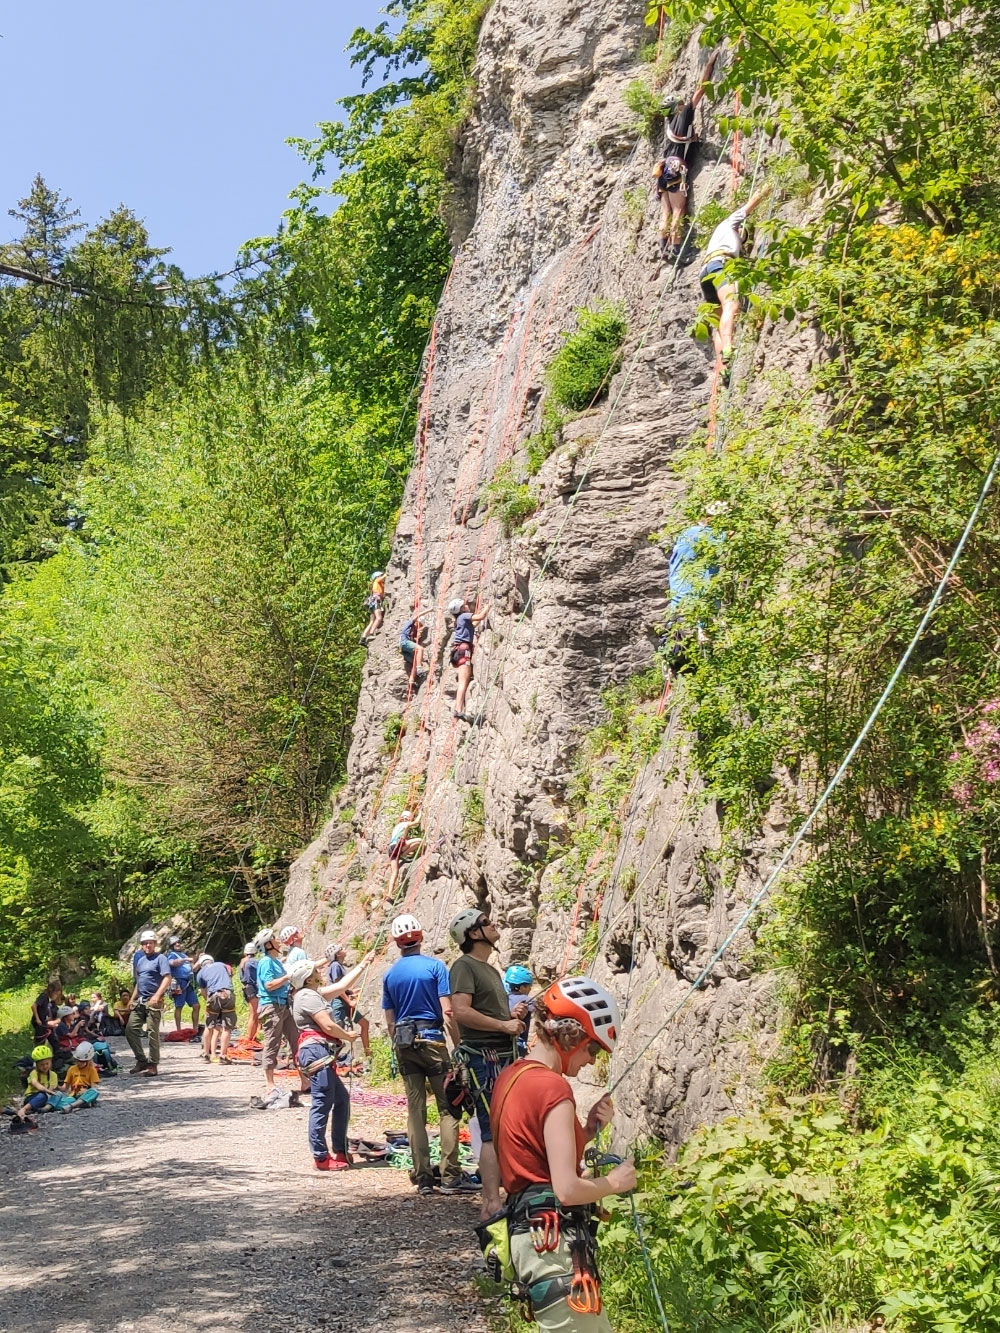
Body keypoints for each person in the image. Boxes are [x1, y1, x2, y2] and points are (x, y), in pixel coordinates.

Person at [490, 976, 637, 1332]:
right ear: (572, 1037)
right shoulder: (553, 1087)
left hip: (532, 1240)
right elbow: (567, 1190)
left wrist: (585, 1133)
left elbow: (529, 1155)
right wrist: (614, 1183)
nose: (592, 1061)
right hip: (553, 1248)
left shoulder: (512, 1076)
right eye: (593, 1049)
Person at [382, 914, 475, 1196]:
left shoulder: (390, 974)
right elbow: (448, 1012)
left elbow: (389, 1020)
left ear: (397, 943)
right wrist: (459, 1046)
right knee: (448, 1107)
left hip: (405, 1044)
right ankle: (449, 1175)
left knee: (415, 1112)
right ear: (420, 937)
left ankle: (423, 1177)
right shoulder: (435, 967)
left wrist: (398, 1047)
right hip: (433, 1043)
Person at [448, 907, 527, 1220]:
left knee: (506, 1125)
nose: (493, 925)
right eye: (485, 923)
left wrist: (510, 1018)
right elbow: (461, 1011)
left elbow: (488, 1015)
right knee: (492, 1128)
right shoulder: (463, 967)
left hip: (501, 1054)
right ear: (473, 934)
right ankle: (491, 1203)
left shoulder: (490, 970)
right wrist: (503, 1026)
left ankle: (509, 1192)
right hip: (484, 1058)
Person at [288, 959, 361, 1171]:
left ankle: (340, 1149)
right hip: (317, 1052)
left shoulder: (312, 993)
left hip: (319, 1052)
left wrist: (363, 964)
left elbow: (342, 987)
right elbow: (327, 1024)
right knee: (322, 1103)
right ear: (308, 978)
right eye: (315, 970)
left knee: (341, 1099)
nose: (320, 970)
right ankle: (321, 1157)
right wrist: (347, 1035)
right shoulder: (308, 996)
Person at [697, 184, 771, 378]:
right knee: (731, 304)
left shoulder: (718, 237)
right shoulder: (730, 223)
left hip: (706, 271)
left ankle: (723, 368)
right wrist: (767, 189)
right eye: (742, 236)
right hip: (721, 264)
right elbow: (750, 205)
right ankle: (729, 349)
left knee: (718, 321)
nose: (741, 239)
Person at [655, 48, 719, 260]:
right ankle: (677, 249)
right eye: (680, 104)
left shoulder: (669, 127)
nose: (684, 105)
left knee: (665, 212)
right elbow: (700, 91)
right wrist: (709, 64)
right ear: (677, 108)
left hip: (664, 170)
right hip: (676, 168)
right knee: (678, 212)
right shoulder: (682, 117)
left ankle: (663, 247)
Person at [254, 927, 309, 1097]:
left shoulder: (276, 961)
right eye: (274, 939)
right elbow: (269, 985)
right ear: (269, 944)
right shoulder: (265, 962)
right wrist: (287, 977)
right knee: (272, 1043)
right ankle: (270, 1084)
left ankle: (305, 1082)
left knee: (296, 1041)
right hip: (271, 1007)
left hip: (284, 1005)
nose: (278, 941)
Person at [126, 929, 174, 1075]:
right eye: (145, 943)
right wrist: (132, 998)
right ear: (142, 945)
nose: (148, 945)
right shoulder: (140, 961)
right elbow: (139, 982)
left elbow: (167, 978)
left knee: (152, 1032)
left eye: (150, 943)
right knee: (130, 1030)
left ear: (155, 944)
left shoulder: (161, 959)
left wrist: (157, 996)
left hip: (153, 1002)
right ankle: (141, 1060)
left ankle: (153, 1064)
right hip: (140, 1001)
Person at [323, 942, 372, 1068]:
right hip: (338, 1004)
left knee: (364, 1024)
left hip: (344, 1003)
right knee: (336, 1035)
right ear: (337, 953)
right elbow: (338, 987)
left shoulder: (338, 965)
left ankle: (368, 1055)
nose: (344, 950)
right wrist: (349, 1000)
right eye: (342, 948)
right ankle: (328, 1062)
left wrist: (350, 992)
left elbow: (342, 988)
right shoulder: (335, 965)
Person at [447, 596, 490, 722]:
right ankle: (458, 709)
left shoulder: (460, 619)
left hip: (458, 651)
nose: (467, 605)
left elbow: (474, 624)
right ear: (461, 608)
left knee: (463, 681)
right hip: (463, 651)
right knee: (463, 682)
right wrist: (488, 607)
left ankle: (458, 709)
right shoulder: (464, 616)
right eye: (464, 605)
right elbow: (480, 616)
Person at [195, 954, 237, 1063]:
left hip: (213, 996)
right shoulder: (220, 964)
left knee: (209, 1026)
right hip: (227, 993)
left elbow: (204, 992)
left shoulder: (200, 973)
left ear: (201, 964)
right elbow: (231, 971)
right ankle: (223, 1055)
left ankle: (206, 1053)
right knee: (226, 1027)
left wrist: (208, 1002)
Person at [165, 936, 202, 1039]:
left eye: (179, 943)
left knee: (196, 1006)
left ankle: (195, 1029)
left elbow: (194, 969)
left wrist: (199, 960)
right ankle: (178, 1029)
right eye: (175, 943)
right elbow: (172, 963)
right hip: (179, 982)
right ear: (172, 946)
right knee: (179, 1006)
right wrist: (185, 959)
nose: (178, 944)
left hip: (188, 983)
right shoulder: (172, 955)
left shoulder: (184, 955)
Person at [385, 810, 423, 900]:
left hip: (391, 849)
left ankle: (389, 893)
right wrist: (421, 812)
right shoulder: (404, 824)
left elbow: (405, 838)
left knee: (395, 872)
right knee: (419, 841)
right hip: (397, 846)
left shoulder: (397, 827)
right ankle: (404, 855)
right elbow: (416, 822)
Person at [504, 965, 535, 1058]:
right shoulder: (526, 1000)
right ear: (522, 987)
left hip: (505, 1046)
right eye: (529, 986)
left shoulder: (504, 999)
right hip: (519, 1047)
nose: (530, 989)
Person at [61, 1042, 101, 1110]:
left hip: (86, 1095)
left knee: (94, 1092)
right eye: (78, 1061)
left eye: (82, 1061)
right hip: (74, 1096)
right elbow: (65, 1088)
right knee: (61, 1101)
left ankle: (73, 1106)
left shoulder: (92, 1070)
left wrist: (86, 1091)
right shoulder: (72, 1069)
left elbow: (93, 1088)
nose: (80, 1063)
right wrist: (55, 1087)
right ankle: (80, 1104)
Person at [239, 943, 260, 1045]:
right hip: (253, 988)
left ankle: (254, 1036)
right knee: (255, 1014)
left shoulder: (243, 962)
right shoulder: (253, 962)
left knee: (255, 1014)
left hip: (247, 988)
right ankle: (251, 1038)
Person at [400, 609, 426, 686]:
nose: (419, 627)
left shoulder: (414, 632)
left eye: (421, 626)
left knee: (416, 660)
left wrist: (417, 637)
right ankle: (419, 668)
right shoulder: (410, 624)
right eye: (420, 624)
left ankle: (411, 680)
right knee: (420, 649)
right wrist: (429, 610)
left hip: (403, 648)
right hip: (404, 642)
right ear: (417, 622)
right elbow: (417, 616)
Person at [360, 570, 386, 645]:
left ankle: (363, 638)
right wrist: (387, 573)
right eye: (380, 576)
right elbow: (383, 577)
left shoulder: (378, 584)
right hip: (376, 601)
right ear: (377, 577)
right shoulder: (377, 581)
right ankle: (371, 634)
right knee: (379, 618)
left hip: (372, 602)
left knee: (372, 621)